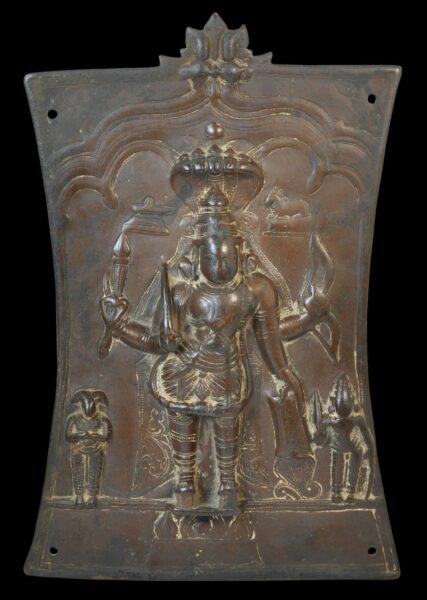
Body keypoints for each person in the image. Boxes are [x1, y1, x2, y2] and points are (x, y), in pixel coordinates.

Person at [65, 389, 112, 507]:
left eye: (91, 412)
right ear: (82, 406)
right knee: (78, 471)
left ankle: (92, 496)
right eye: (87, 412)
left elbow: (106, 435)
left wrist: (93, 435)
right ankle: (79, 495)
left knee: (94, 471)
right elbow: (68, 436)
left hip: (96, 449)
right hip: (78, 448)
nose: (89, 415)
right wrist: (81, 434)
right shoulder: (74, 419)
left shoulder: (102, 419)